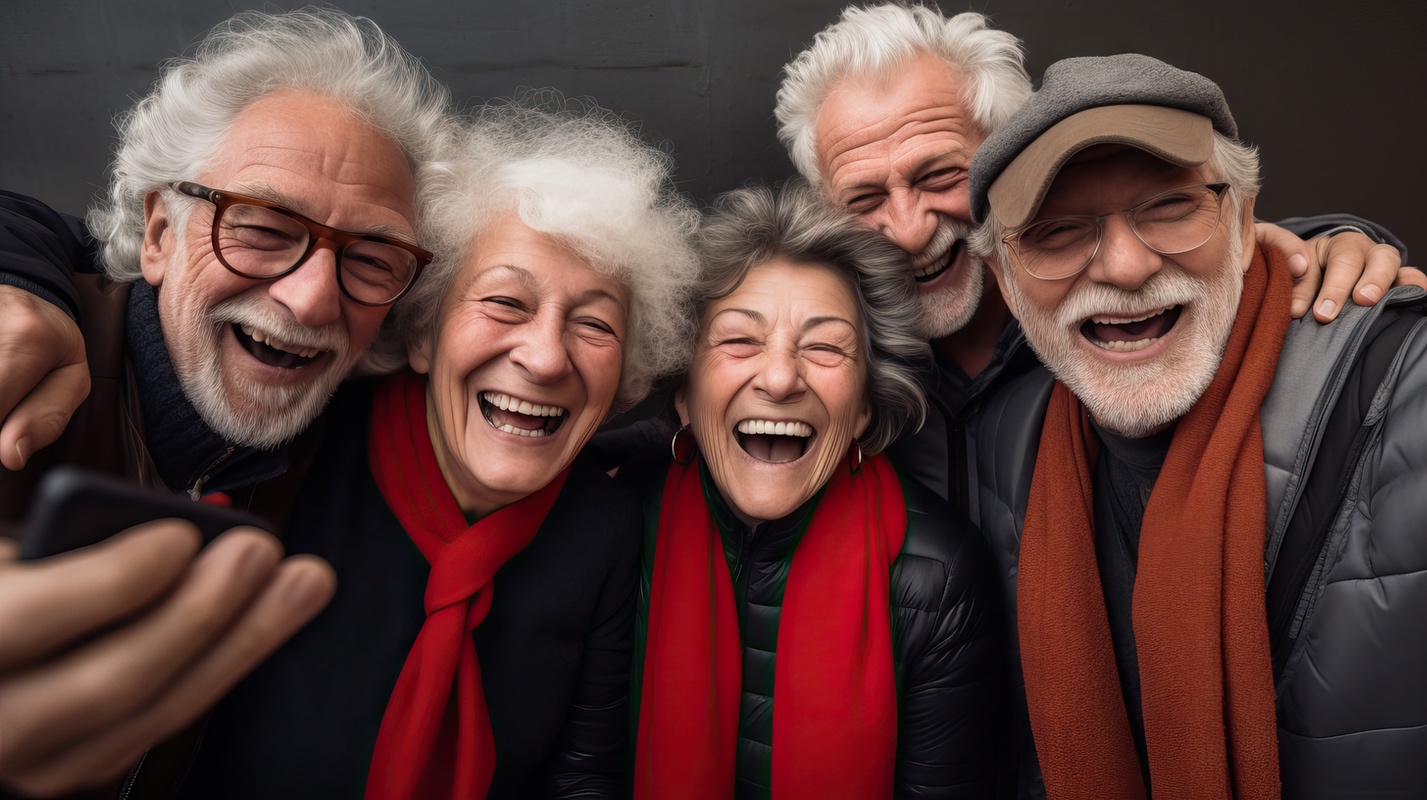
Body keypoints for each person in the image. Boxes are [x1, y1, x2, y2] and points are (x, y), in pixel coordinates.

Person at [165, 100, 699, 800]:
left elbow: (581, 774)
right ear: (422, 333)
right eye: (505, 303)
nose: (543, 358)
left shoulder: (605, 527)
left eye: (593, 323)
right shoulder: (295, 451)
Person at [0, 9, 452, 795]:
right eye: (264, 226)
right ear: (159, 236)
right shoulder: (19, 361)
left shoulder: (346, 424)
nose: (312, 300)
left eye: (373, 257)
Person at [966, 53, 1427, 798]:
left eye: (1169, 207)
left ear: (1245, 223)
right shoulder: (1005, 444)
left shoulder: (1406, 395)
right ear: (1005, 284)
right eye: (1055, 231)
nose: (1122, 266)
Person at [773, 3, 1418, 508]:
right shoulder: (825, 368)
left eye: (941, 177)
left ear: (1012, 165)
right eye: (864, 200)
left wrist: (1317, 247)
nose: (910, 231)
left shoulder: (1124, 333)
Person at [631, 182, 1000, 798]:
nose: (779, 378)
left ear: (863, 408)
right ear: (682, 393)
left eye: (825, 347)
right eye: (740, 340)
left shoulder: (941, 576)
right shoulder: (618, 526)